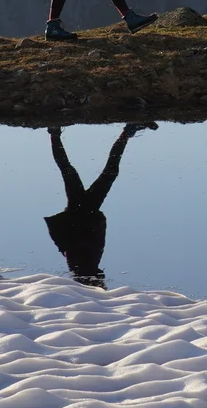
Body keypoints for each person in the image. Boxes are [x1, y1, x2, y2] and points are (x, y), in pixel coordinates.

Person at [44, 122, 153, 287]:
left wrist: (92, 223)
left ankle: (126, 132)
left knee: (100, 172)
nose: (103, 278)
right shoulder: (86, 265)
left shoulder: (82, 267)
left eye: (101, 282)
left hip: (82, 212)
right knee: (72, 170)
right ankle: (54, 133)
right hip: (84, 212)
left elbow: (76, 241)